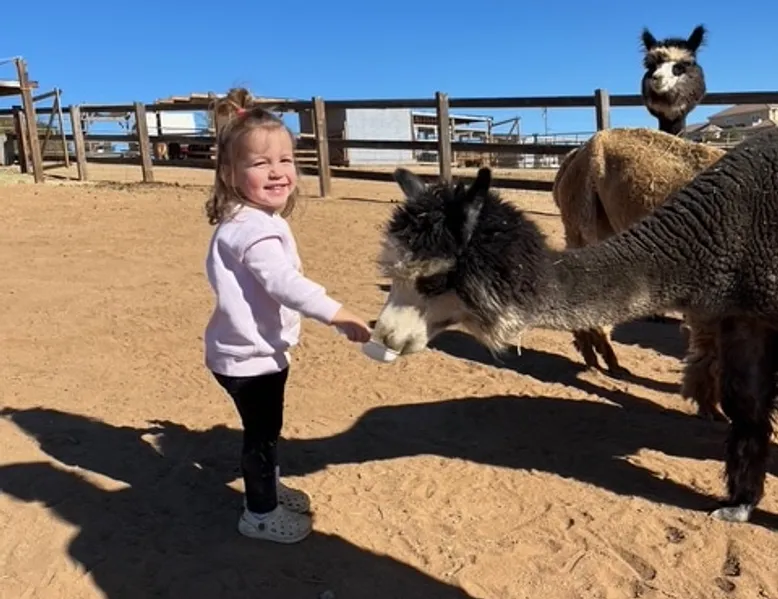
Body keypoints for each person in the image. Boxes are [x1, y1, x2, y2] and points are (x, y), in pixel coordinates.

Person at [203, 88, 372, 543]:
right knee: (261, 437)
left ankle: (269, 491)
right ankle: (260, 514)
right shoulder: (252, 229)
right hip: (250, 360)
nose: (277, 171)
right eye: (260, 163)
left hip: (249, 352)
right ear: (229, 173)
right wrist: (337, 313)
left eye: (285, 160)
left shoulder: (253, 218)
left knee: (265, 431)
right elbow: (283, 283)